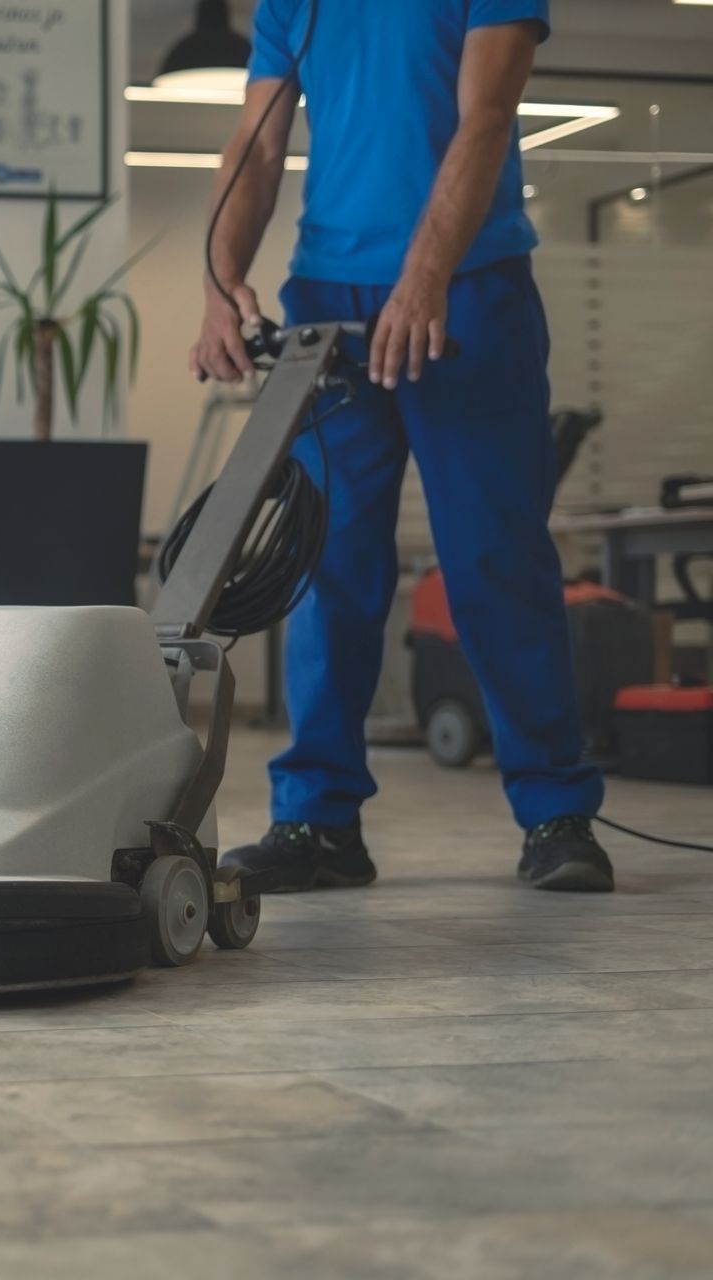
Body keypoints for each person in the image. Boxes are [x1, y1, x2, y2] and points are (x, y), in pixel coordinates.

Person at [191, 0, 613, 892]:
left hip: (471, 284)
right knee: (326, 560)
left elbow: (486, 115)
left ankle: (557, 812)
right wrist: (220, 280)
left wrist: (425, 277)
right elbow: (257, 147)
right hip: (326, 298)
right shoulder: (291, 4)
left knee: (493, 556)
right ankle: (317, 820)